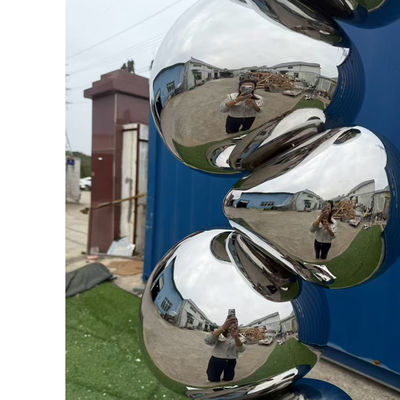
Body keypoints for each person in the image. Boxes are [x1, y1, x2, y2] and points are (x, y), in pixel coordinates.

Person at [205, 315, 245, 382]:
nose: (233, 324)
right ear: (226, 322)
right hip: (216, 359)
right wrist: (223, 327)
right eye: (230, 321)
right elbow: (208, 341)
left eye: (235, 322)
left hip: (231, 361)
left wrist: (236, 337)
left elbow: (241, 350)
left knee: (228, 379)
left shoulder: (240, 335)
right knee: (213, 379)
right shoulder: (219, 332)